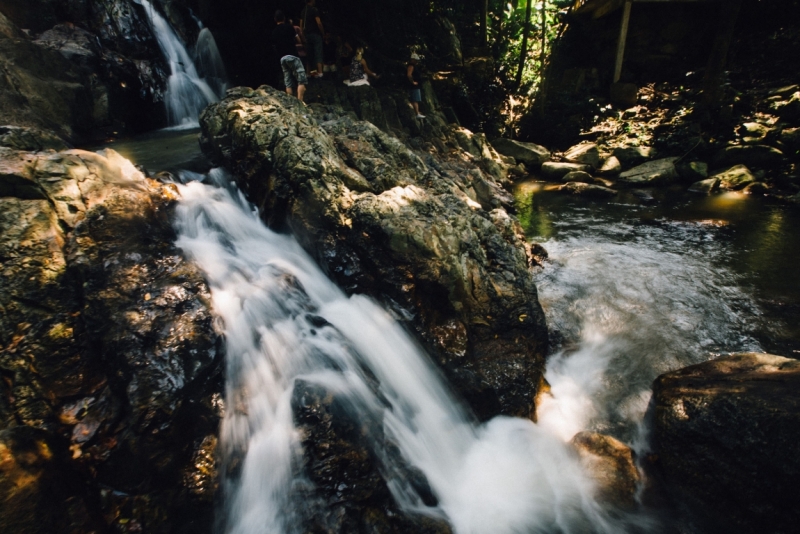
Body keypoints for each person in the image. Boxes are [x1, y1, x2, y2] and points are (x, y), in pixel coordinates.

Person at [272, 10, 306, 103]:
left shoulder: (274, 32)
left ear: (275, 19)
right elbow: (298, 39)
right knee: (301, 79)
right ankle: (300, 102)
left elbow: (274, 47)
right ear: (284, 18)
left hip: (282, 58)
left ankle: (291, 102)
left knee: (288, 81)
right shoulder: (289, 27)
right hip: (293, 55)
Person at [301, 0, 325, 78]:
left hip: (307, 35)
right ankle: (320, 72)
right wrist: (323, 33)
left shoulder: (303, 11)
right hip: (315, 33)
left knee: (309, 54)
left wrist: (303, 36)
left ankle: (308, 73)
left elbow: (301, 25)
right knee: (318, 52)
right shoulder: (314, 10)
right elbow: (318, 22)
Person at [407, 52, 425, 119]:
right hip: (414, 86)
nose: (417, 62)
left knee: (415, 100)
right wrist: (413, 82)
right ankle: (417, 114)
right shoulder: (411, 66)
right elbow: (409, 75)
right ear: (413, 59)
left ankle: (417, 112)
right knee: (415, 100)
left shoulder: (413, 66)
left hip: (416, 85)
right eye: (416, 60)